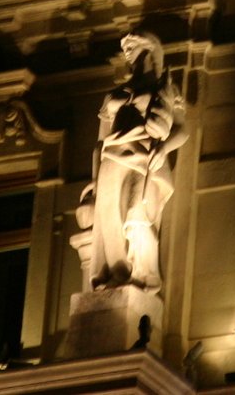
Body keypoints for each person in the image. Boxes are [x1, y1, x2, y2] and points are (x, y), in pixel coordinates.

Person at [78, 31, 188, 292]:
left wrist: (164, 149)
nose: (128, 52)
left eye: (133, 46)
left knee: (137, 215)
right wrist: (94, 182)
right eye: (126, 48)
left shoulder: (166, 88)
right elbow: (100, 140)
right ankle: (117, 275)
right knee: (111, 222)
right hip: (112, 158)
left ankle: (143, 275)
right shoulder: (114, 94)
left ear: (150, 50)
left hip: (144, 157)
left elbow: (182, 131)